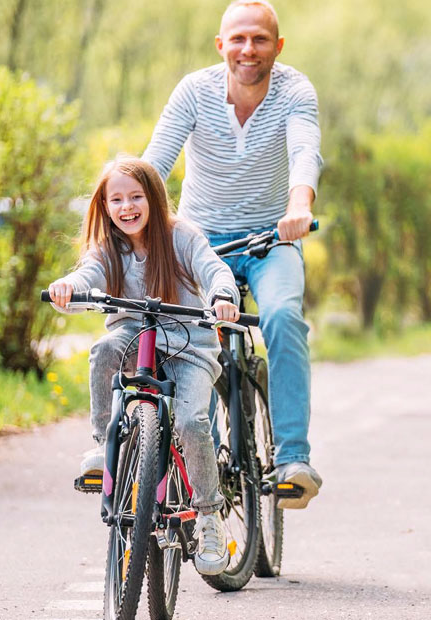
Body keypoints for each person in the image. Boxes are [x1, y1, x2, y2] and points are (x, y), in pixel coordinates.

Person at [142, 0, 324, 509]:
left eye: (260, 39)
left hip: (271, 241)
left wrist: (299, 204)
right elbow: (156, 161)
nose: (249, 49)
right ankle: (179, 452)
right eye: (238, 39)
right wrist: (128, 211)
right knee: (179, 328)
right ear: (221, 45)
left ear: (277, 46)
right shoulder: (194, 91)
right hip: (201, 242)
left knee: (283, 316)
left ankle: (292, 459)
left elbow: (304, 151)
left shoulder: (295, 90)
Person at [47, 156, 241, 575]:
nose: (127, 207)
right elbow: (87, 275)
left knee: (191, 423)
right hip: (135, 337)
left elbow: (214, 270)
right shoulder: (108, 248)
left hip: (190, 347)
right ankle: (105, 447)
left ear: (153, 197)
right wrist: (68, 286)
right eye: (116, 199)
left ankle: (209, 516)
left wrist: (223, 297)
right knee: (104, 350)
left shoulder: (181, 236)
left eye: (136, 197)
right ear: (104, 206)